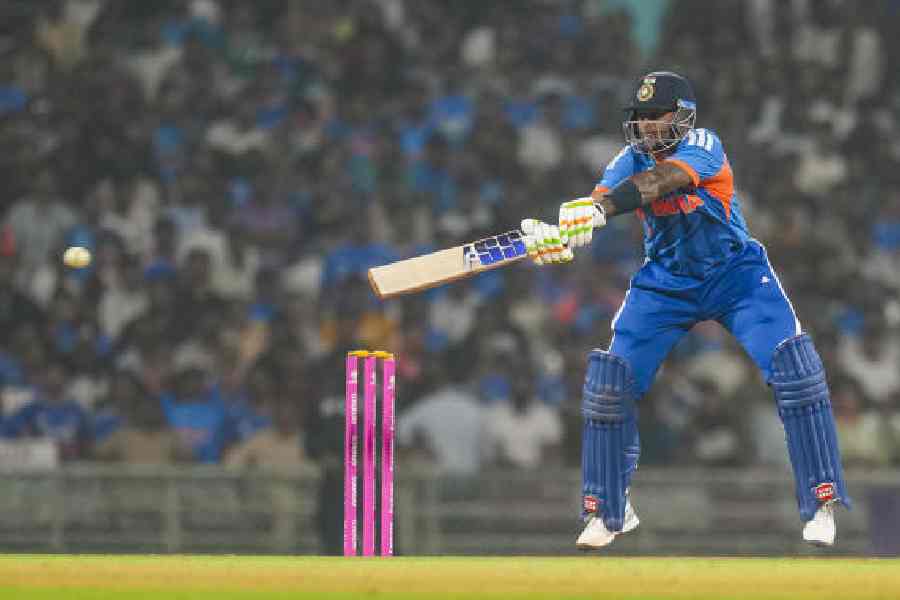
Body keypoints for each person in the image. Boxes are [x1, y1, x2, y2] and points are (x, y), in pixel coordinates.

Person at [521, 71, 849, 549]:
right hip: (666, 282)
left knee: (794, 370)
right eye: (641, 117)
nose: (647, 125)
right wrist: (562, 235)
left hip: (735, 274)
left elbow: (659, 182)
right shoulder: (625, 159)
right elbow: (595, 206)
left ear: (683, 116)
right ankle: (608, 510)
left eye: (657, 115)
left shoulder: (703, 144)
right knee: (610, 384)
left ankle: (822, 500)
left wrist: (600, 210)